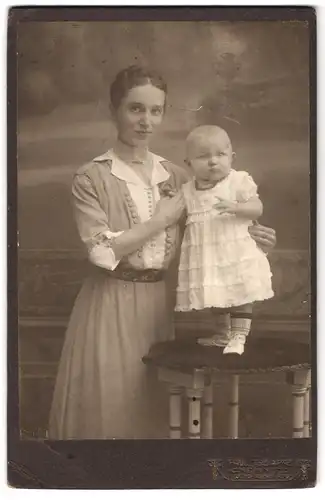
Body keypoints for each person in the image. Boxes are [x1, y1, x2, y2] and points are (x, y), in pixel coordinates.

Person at [48, 66, 276, 439]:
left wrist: (256, 239)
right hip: (109, 305)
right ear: (114, 110)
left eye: (156, 111)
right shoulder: (91, 177)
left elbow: (214, 234)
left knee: (155, 409)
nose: (146, 121)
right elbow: (103, 253)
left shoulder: (179, 175)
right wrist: (161, 219)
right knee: (112, 410)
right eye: (136, 109)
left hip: (161, 303)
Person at [175, 125, 274, 355]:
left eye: (220, 155)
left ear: (232, 157)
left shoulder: (237, 181)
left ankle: (239, 335)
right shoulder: (188, 190)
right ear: (188, 163)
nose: (213, 161)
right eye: (203, 156)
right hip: (207, 254)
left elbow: (257, 208)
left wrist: (237, 207)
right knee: (215, 294)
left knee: (240, 293)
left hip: (234, 251)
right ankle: (223, 334)